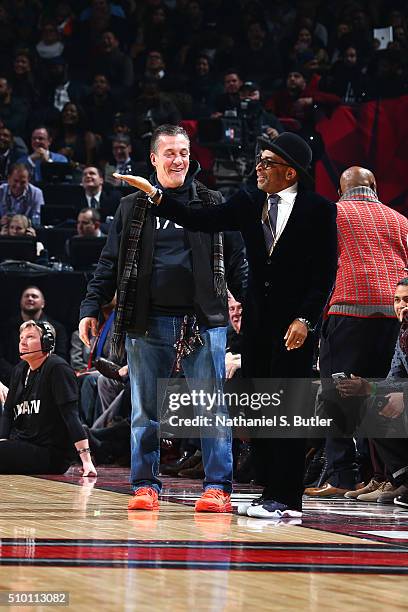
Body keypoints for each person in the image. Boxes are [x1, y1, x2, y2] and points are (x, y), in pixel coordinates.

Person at [114, 130, 338, 519]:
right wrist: (155, 195)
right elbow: (199, 218)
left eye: (268, 163)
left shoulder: (319, 210)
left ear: (290, 172)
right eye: (260, 160)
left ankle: (288, 499)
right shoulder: (249, 200)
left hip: (294, 327)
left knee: (285, 410)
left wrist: (306, 319)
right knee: (258, 408)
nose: (259, 168)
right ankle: (270, 491)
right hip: (256, 325)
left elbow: (324, 276)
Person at [79, 124, 247, 513]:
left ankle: (218, 487)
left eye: (184, 152)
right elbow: (108, 264)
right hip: (147, 319)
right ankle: (145, 485)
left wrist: (247, 302)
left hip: (202, 320)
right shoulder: (130, 207)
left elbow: (238, 258)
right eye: (169, 152)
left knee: (210, 405)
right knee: (145, 409)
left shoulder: (210, 201)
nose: (178, 160)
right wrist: (90, 307)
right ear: (153, 159)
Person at [306, 167, 408, 498]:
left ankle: (341, 476)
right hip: (396, 313)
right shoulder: (400, 220)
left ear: (339, 190)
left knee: (339, 394)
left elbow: (317, 266)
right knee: (378, 394)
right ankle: (380, 475)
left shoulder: (331, 213)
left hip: (349, 311)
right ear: (375, 187)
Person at [335, 278, 408, 509]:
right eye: (396, 300)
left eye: (407, 300)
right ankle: (398, 479)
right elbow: (392, 380)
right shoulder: (403, 334)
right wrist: (368, 387)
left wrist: (404, 397)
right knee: (370, 404)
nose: (401, 305)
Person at [0, 320, 96, 476]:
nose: (23, 342)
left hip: (50, 453)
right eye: (21, 338)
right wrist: (3, 442)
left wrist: (86, 460)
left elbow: (71, 417)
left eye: (30, 337)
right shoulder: (19, 370)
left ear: (47, 341)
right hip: (22, 444)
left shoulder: (57, 368)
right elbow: (8, 412)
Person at [0, 286, 68, 384]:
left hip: (45, 379)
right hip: (10, 378)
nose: (30, 298)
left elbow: (60, 356)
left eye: (34, 296)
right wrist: (17, 374)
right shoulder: (6, 327)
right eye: (26, 296)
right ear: (20, 301)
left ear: (43, 303)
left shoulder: (57, 328)